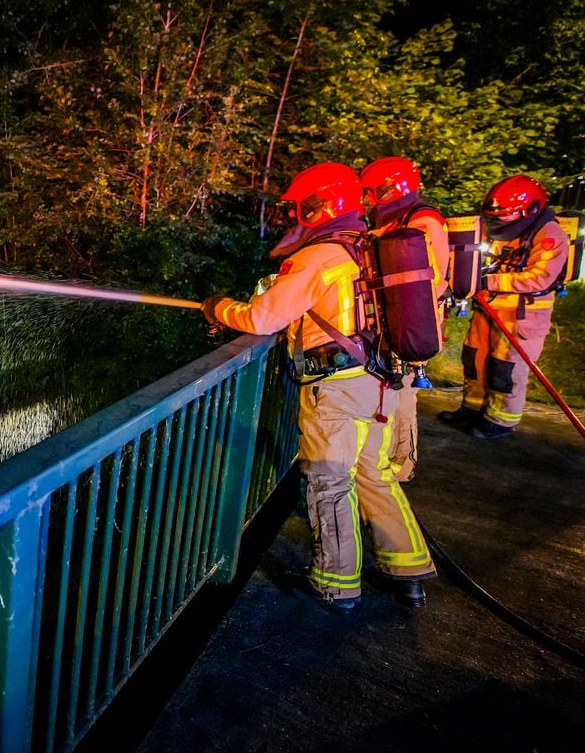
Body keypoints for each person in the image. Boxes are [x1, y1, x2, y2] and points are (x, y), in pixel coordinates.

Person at [203, 162, 436, 612]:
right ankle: (408, 571)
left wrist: (218, 308)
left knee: (329, 482)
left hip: (336, 390)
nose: (295, 217)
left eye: (299, 208)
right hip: (380, 381)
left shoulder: (319, 256)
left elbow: (262, 317)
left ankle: (336, 584)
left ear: (318, 206)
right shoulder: (368, 246)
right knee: (376, 475)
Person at [438, 175, 569, 440]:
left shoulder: (549, 235)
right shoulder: (502, 229)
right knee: (475, 359)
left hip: (521, 316)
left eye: (506, 214)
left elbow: (540, 277)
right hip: (487, 309)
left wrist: (489, 280)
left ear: (530, 210)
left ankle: (500, 420)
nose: (499, 219)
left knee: (505, 369)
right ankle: (472, 408)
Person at [360, 156, 449, 483]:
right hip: (394, 318)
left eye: (372, 191)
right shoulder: (394, 217)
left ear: (390, 188)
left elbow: (426, 279)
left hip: (410, 321)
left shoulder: (422, 220)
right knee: (391, 392)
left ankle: (402, 465)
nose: (367, 199)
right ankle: (387, 461)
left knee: (404, 396)